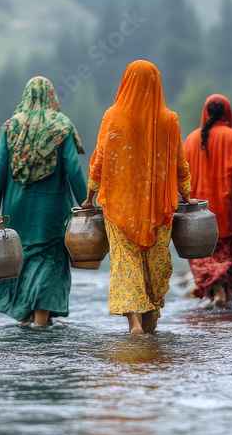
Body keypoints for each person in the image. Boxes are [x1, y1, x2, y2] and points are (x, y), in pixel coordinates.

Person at [80, 60, 195, 335]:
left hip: (120, 205)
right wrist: (187, 196)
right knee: (155, 262)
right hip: (158, 207)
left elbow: (100, 159)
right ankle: (149, 316)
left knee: (125, 262)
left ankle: (134, 322)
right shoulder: (169, 119)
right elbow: (180, 162)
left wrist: (90, 196)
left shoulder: (113, 116)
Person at [0, 77, 88, 328]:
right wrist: (87, 204)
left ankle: (23, 317)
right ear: (51, 97)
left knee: (20, 258)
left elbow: (0, 172)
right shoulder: (61, 126)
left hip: (16, 209)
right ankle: (41, 321)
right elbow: (74, 171)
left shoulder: (11, 127)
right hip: (53, 211)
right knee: (49, 261)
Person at [183, 95, 232, 308]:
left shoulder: (190, 140)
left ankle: (215, 294)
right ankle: (225, 297)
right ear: (228, 113)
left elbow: (181, 176)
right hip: (228, 213)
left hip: (196, 216)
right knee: (228, 257)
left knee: (202, 257)